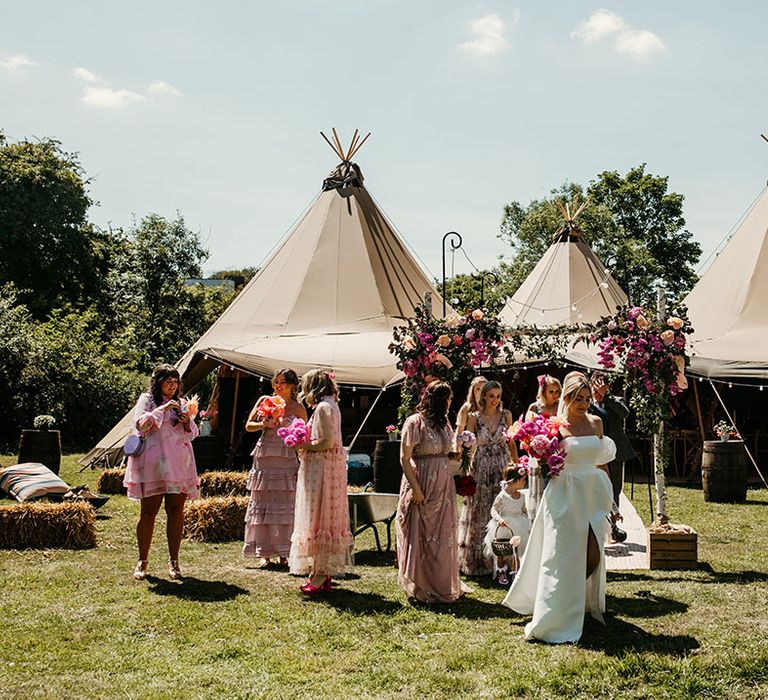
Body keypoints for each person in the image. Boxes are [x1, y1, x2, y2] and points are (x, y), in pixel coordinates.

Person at [503, 374, 615, 644]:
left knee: (593, 552)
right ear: (567, 398)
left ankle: (575, 597)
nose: (584, 404)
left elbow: (601, 462)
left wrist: (611, 499)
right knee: (562, 554)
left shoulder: (597, 422)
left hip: (592, 491)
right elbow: (544, 463)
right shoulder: (556, 426)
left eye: (588, 399)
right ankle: (558, 609)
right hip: (564, 493)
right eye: (579, 399)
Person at [124, 364, 199, 581]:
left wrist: (187, 422)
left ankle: (174, 562)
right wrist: (162, 410)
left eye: (175, 382)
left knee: (176, 511)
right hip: (153, 463)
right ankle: (142, 560)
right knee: (148, 512)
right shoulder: (147, 400)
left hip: (179, 464)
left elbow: (192, 434)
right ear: (158, 382)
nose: (172, 386)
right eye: (168, 381)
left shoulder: (182, 403)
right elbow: (139, 424)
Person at [396, 380, 468, 603]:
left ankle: (442, 582)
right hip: (423, 482)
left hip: (443, 485)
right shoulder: (415, 422)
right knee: (422, 534)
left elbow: (446, 454)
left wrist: (462, 451)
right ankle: (421, 584)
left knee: (442, 534)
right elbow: (404, 458)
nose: (449, 403)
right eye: (447, 399)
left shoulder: (443, 422)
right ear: (438, 400)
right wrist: (416, 489)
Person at [289, 369, 353, 594]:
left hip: (322, 468)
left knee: (319, 515)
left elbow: (327, 442)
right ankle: (318, 572)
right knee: (317, 516)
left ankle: (321, 574)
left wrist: (303, 445)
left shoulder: (325, 408)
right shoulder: (326, 405)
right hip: (320, 466)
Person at [243, 368, 307, 568]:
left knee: (286, 505)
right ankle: (264, 553)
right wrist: (263, 423)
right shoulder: (265, 400)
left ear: (292, 386)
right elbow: (248, 426)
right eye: (277, 382)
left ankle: (284, 552)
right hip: (265, 456)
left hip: (286, 457)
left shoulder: (298, 408)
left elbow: (304, 434)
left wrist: (293, 436)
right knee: (263, 502)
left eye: (284, 383)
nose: (279, 386)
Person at [457, 380, 514, 576]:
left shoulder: (506, 415)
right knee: (480, 511)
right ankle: (479, 561)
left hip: (502, 465)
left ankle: (503, 562)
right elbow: (467, 445)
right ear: (483, 396)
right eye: (491, 396)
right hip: (481, 466)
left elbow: (512, 441)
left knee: (502, 512)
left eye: (498, 396)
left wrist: (515, 464)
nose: (495, 400)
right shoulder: (474, 417)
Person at [589, 371, 637, 543]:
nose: (599, 388)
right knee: (594, 490)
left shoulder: (616, 401)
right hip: (594, 455)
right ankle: (595, 526)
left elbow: (625, 414)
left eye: (603, 384)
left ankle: (613, 528)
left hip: (615, 453)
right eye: (597, 384)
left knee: (614, 490)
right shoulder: (586, 404)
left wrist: (606, 396)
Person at [483, 464, 530, 586]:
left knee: (517, 550)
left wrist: (528, 520)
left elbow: (524, 510)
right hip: (505, 525)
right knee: (502, 551)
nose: (525, 483)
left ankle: (515, 573)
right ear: (514, 481)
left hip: (519, 525)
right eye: (523, 480)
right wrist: (499, 520)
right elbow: (493, 509)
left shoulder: (522, 496)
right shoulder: (502, 496)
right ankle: (501, 571)